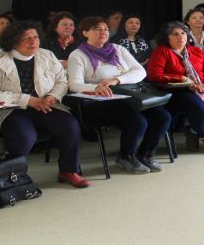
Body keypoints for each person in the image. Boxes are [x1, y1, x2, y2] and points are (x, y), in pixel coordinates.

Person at [0, 21, 91, 188]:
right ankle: (13, 176)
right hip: (11, 109)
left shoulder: (47, 55)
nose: (33, 42)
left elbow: (62, 81)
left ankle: (68, 170)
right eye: (26, 38)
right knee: (24, 136)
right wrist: (28, 100)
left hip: (44, 104)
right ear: (13, 41)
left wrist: (52, 96)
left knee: (70, 126)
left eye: (36, 37)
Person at [68, 17, 170, 173]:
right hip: (100, 102)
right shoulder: (78, 55)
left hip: (128, 95)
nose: (103, 32)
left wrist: (117, 79)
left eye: (106, 29)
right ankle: (126, 156)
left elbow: (140, 71)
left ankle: (145, 154)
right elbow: (74, 84)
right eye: (97, 29)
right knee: (138, 121)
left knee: (163, 117)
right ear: (85, 33)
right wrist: (95, 88)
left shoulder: (118, 49)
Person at [147, 21, 204, 153]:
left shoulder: (196, 51)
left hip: (202, 86)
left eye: (183, 33)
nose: (181, 37)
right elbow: (154, 75)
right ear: (166, 37)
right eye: (175, 34)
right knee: (201, 109)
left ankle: (193, 131)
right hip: (178, 90)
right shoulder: (162, 51)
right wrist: (181, 78)